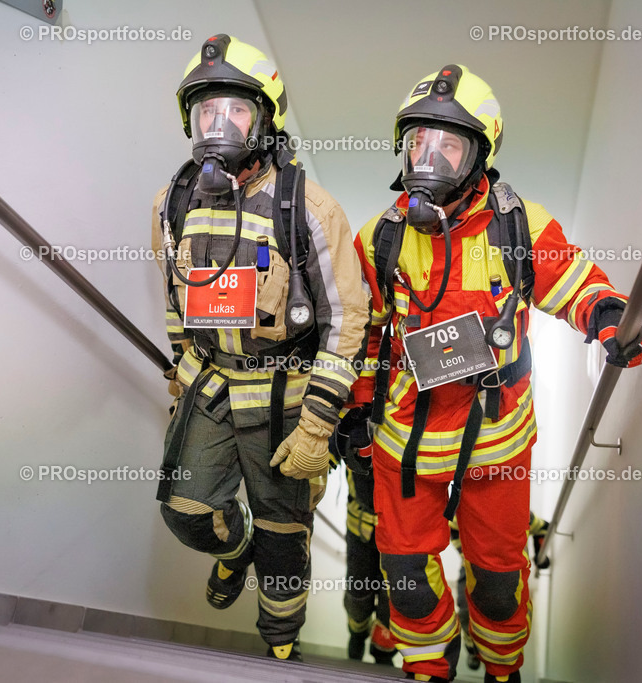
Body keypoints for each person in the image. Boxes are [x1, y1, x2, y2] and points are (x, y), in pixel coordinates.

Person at [341, 64, 642, 682]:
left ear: (478, 156)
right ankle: (430, 665)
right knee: (403, 577)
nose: (428, 158)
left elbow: (575, 281)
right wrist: (355, 405)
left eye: (447, 146)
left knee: (498, 583)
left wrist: (611, 317)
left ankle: (503, 670)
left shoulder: (518, 226)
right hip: (402, 441)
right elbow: (365, 334)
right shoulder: (380, 237)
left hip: (495, 443)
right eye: (417, 142)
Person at [150, 34, 370, 661]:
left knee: (284, 538)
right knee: (186, 512)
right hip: (213, 384)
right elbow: (177, 299)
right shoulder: (174, 202)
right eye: (205, 112)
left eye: (235, 111)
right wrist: (181, 388)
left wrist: (319, 424)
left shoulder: (310, 207)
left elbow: (346, 319)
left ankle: (279, 644)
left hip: (285, 393)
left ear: (265, 119)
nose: (218, 125)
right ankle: (232, 545)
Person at [450, 512, 552, 672]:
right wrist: (464, 552)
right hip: (471, 568)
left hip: (508, 571)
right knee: (465, 613)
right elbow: (452, 526)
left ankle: (502, 662)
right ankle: (473, 650)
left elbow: (544, 527)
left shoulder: (520, 512)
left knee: (507, 616)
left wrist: (540, 554)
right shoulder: (467, 508)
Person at [343, 467, 396, 665]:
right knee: (358, 593)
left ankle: (383, 653)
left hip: (397, 531)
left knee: (392, 599)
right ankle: (357, 633)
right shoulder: (348, 433)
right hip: (359, 526)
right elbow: (325, 450)